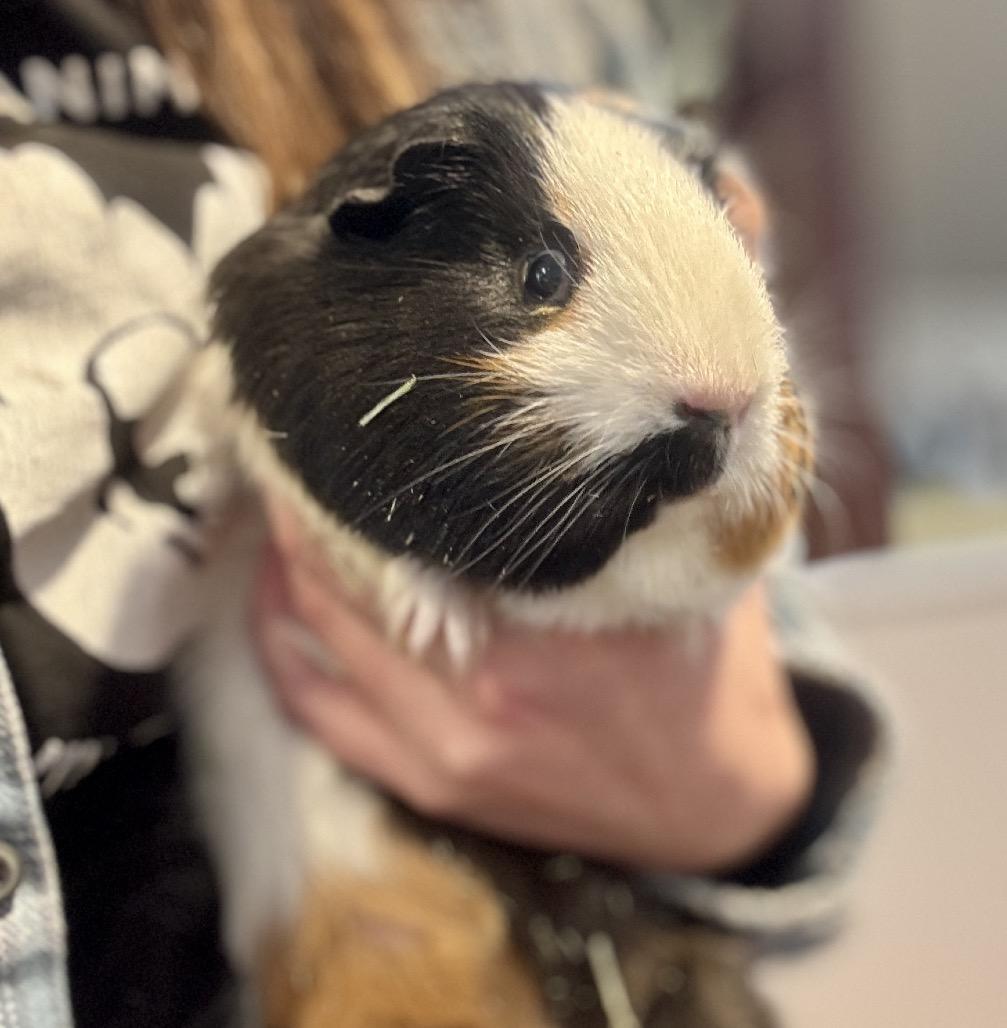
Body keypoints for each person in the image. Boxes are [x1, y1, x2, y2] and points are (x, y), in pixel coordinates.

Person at [0, 2, 888, 1025]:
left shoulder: (520, 20)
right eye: (543, 281)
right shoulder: (290, 354)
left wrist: (737, 781)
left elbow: (766, 684)